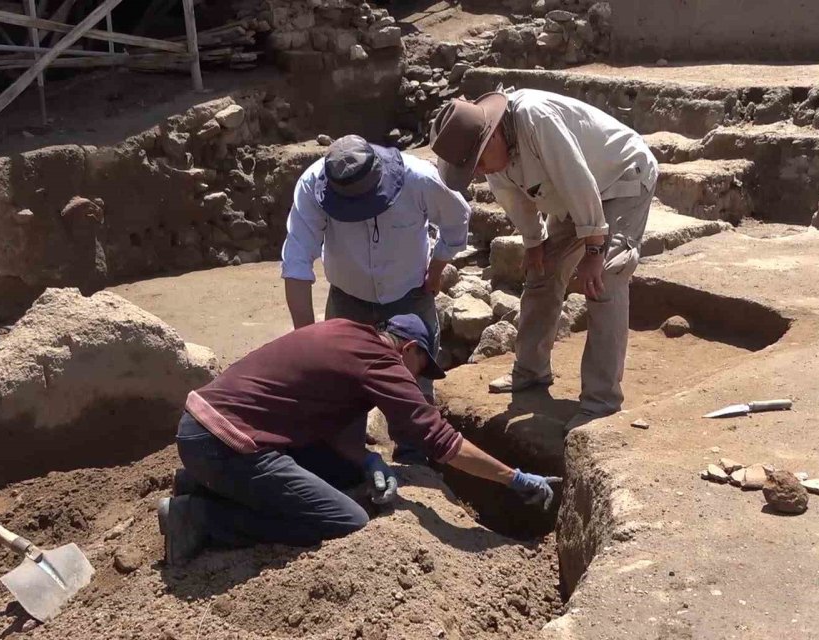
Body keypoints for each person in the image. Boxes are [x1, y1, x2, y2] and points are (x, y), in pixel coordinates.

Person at [157, 314, 560, 565]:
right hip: (228, 445)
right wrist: (513, 478)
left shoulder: (345, 333)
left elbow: (334, 432)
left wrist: (369, 461)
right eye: (420, 368)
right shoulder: (381, 362)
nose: (415, 379)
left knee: (342, 473)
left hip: (199, 431)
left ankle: (197, 485)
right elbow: (439, 439)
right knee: (345, 519)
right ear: (410, 348)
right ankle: (201, 519)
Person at [430, 88, 658, 426]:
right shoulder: (488, 149)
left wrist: (595, 250)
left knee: (605, 277)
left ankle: (601, 401)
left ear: (492, 134)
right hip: (570, 196)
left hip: (621, 178)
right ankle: (531, 371)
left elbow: (579, 181)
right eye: (472, 167)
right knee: (541, 272)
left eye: (478, 162)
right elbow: (514, 197)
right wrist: (534, 241)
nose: (478, 171)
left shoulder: (536, 119)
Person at [281, 135, 471, 460]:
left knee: (414, 387)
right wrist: (307, 341)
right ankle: (350, 462)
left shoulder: (419, 178)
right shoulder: (313, 186)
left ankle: (417, 464)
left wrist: (436, 270)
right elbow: (297, 263)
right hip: (347, 299)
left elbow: (457, 220)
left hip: (410, 297)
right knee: (339, 387)